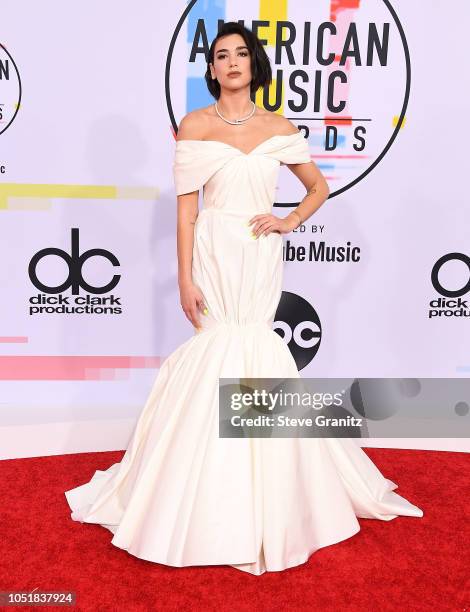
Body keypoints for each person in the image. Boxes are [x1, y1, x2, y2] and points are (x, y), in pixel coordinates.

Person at [64, 22, 423, 576]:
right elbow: (187, 211)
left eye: (240, 54)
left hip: (258, 251)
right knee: (217, 351)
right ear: (211, 70)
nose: (231, 62)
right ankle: (204, 493)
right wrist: (184, 277)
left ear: (253, 65)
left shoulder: (278, 127)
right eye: (220, 55)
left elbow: (317, 186)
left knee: (256, 351)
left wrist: (290, 220)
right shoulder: (195, 126)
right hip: (214, 249)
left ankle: (270, 496)